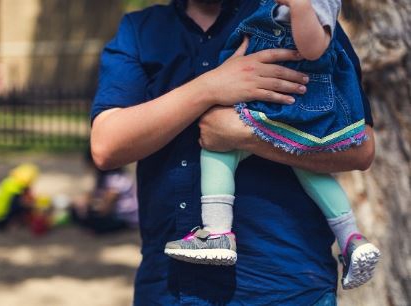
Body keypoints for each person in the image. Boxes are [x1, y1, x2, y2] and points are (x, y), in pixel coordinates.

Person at [90, 0, 376, 305]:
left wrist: (244, 135)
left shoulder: (293, 12)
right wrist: (208, 88)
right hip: (168, 288)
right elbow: (106, 146)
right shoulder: (140, 31)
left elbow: (360, 149)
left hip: (287, 286)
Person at [164, 0, 380, 291]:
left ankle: (217, 232)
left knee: (218, 150)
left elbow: (314, 48)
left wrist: (300, 6)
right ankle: (351, 239)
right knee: (310, 171)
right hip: (288, 104)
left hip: (284, 104)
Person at [0, 164, 38, 230]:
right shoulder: (16, 191)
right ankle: (12, 224)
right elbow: (21, 204)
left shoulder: (8, 182)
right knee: (24, 207)